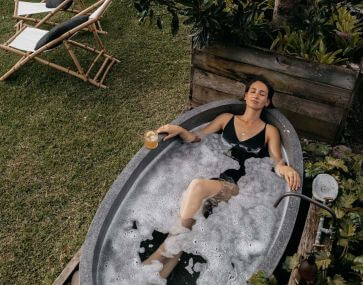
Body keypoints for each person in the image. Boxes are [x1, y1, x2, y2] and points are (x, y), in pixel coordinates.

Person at [142, 76, 301, 279]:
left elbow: (276, 161)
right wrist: (180, 129)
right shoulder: (226, 119)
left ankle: (159, 254)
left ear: (267, 102)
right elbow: (198, 137)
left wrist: (285, 169)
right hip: (213, 178)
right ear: (245, 95)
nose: (256, 95)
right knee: (188, 220)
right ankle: (159, 276)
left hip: (237, 187)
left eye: (262, 93)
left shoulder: (270, 131)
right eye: (252, 91)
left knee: (197, 187)